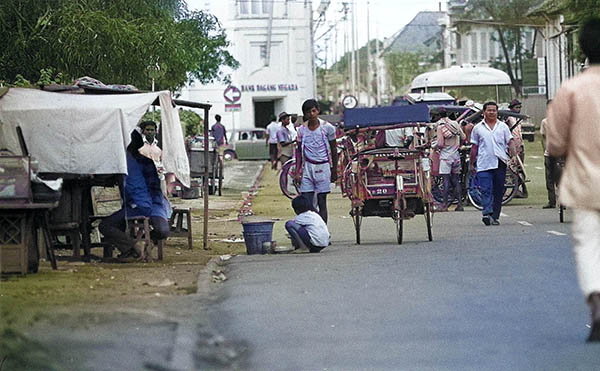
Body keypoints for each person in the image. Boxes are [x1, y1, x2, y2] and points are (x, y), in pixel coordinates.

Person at [545, 17, 600, 342]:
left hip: (586, 185)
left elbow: (555, 144)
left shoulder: (572, 89)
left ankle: (597, 302)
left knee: (590, 245)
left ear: (582, 49)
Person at [99, 121, 171, 259]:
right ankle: (136, 246)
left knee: (105, 226)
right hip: (153, 204)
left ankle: (131, 247)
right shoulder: (144, 161)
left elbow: (135, 187)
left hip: (140, 206)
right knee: (163, 230)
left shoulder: (125, 163)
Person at [470, 101, 514, 226]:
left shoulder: (503, 127)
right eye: (489, 110)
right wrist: (471, 163)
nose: (491, 112)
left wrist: (514, 155)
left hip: (500, 162)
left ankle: (495, 215)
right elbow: (474, 147)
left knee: (498, 190)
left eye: (494, 110)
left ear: (497, 112)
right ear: (484, 112)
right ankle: (487, 213)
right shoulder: (478, 128)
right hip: (484, 162)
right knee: (485, 189)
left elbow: (510, 142)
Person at [294, 99, 338, 224]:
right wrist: (297, 171)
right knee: (306, 202)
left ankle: (323, 231)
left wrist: (334, 169)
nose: (311, 114)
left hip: (323, 167)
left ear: (318, 111)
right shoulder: (301, 130)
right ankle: (313, 226)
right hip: (308, 167)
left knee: (322, 201)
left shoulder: (327, 128)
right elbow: (298, 153)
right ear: (305, 114)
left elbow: (334, 150)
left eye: (313, 111)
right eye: (308, 112)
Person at [434, 108, 466, 212]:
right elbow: (464, 137)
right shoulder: (455, 124)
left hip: (445, 157)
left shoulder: (440, 127)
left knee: (446, 180)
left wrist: (433, 147)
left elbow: (440, 144)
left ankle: (444, 205)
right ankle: (460, 205)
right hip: (456, 156)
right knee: (456, 180)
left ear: (439, 116)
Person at [539, 100, 562, 209]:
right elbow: (543, 137)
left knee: (561, 177)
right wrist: (545, 150)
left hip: (561, 153)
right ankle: (551, 200)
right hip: (549, 153)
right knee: (549, 178)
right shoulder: (545, 122)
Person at [506, 98, 528, 198]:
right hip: (512, 147)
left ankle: (517, 189)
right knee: (514, 169)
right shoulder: (509, 118)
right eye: (516, 107)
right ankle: (514, 189)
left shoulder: (518, 119)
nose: (518, 109)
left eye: (519, 107)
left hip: (520, 145)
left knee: (520, 170)